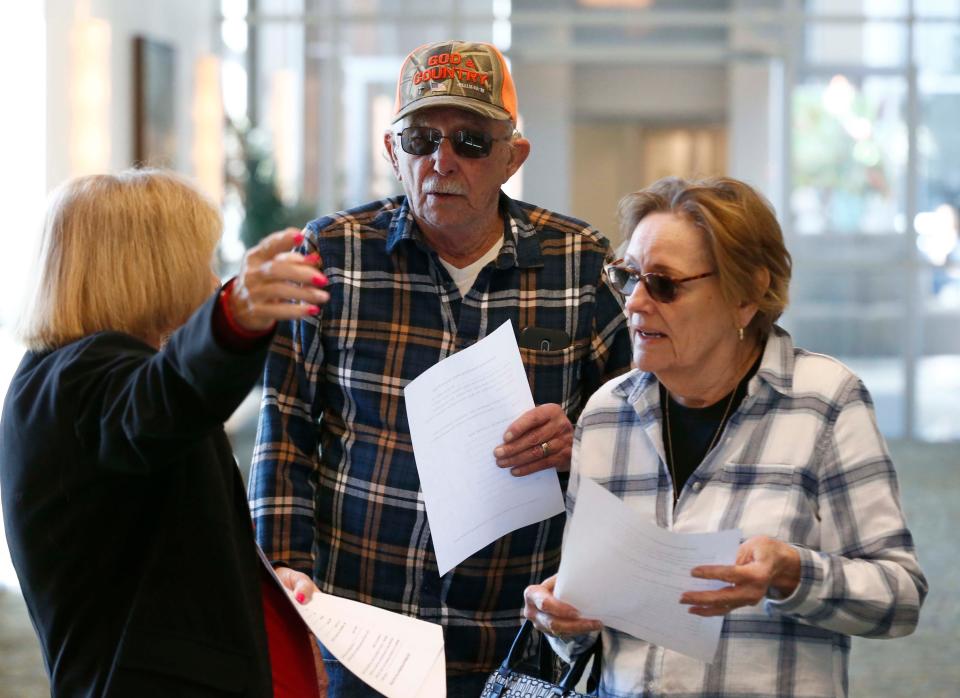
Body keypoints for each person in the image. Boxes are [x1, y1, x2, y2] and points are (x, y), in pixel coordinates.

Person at [248, 40, 632, 696]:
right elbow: (284, 432)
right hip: (361, 634)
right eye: (421, 138)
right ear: (391, 152)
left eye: (471, 142)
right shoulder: (334, 256)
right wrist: (285, 580)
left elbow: (637, 439)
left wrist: (581, 446)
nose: (441, 161)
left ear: (514, 155)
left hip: (520, 636)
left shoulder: (579, 263)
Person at [522, 176, 927, 697]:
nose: (636, 303)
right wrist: (562, 620)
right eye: (628, 278)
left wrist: (791, 574)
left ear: (747, 294)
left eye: (664, 284)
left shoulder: (825, 402)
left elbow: (900, 596)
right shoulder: (606, 414)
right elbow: (590, 628)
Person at [0, 170, 330, 697]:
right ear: (152, 269)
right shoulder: (79, 376)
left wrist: (257, 591)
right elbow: (162, 401)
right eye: (200, 259)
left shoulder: (59, 380)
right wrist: (232, 319)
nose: (209, 277)